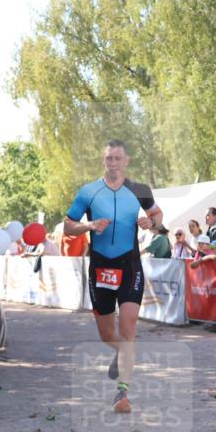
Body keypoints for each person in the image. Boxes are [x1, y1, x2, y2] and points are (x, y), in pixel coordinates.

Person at [63, 139, 163, 414]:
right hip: (100, 267)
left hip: (130, 265)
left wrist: (151, 222)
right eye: (109, 158)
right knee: (108, 333)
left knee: (129, 326)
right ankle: (121, 353)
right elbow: (67, 227)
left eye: (118, 158)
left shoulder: (139, 190)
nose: (113, 163)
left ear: (126, 161)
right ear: (103, 160)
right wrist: (89, 225)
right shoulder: (89, 192)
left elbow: (157, 215)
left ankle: (122, 392)